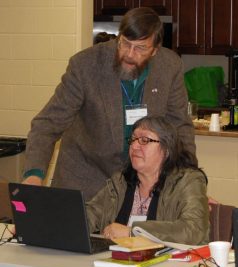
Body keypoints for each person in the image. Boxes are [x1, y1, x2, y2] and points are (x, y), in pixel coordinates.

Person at [23, 7, 196, 201]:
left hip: (141, 184)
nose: (129, 54)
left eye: (140, 48)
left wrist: (191, 185)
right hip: (85, 180)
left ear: (155, 50)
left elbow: (180, 127)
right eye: (125, 43)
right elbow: (47, 124)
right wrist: (33, 175)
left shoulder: (170, 66)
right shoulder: (85, 65)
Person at [50, 116, 209, 267]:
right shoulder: (122, 181)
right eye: (133, 139)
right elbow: (90, 214)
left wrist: (133, 233)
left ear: (166, 149)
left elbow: (195, 230)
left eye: (145, 140)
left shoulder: (187, 181)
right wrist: (46, 224)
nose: (134, 146)